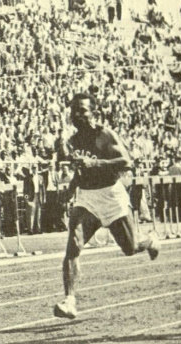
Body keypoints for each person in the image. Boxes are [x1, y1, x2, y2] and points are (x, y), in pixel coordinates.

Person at [53, 92, 159, 319]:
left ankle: (147, 240)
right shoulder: (72, 141)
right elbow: (81, 172)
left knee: (130, 248)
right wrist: (71, 190)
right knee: (74, 244)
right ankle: (70, 300)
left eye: (82, 110)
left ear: (94, 112)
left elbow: (126, 162)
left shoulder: (105, 135)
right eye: (74, 110)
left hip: (111, 196)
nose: (77, 115)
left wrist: (96, 162)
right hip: (87, 199)